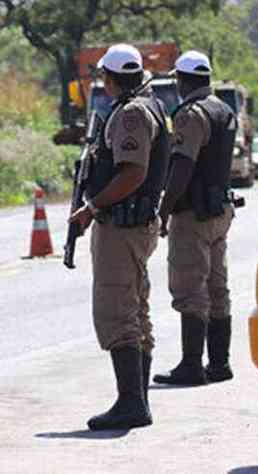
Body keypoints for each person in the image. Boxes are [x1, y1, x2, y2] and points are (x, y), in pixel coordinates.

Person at [69, 44, 171, 431]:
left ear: (111, 78)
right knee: (135, 310)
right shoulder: (151, 105)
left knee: (116, 311)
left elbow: (132, 173)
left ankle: (131, 403)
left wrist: (92, 207)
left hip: (123, 227)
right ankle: (137, 400)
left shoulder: (131, 113)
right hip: (135, 225)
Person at [153, 51, 237, 386]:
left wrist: (164, 207)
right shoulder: (224, 109)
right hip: (221, 209)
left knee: (190, 287)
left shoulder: (191, 114)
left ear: (182, 80)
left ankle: (191, 366)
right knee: (218, 286)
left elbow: (183, 165)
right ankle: (219, 363)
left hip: (194, 213)